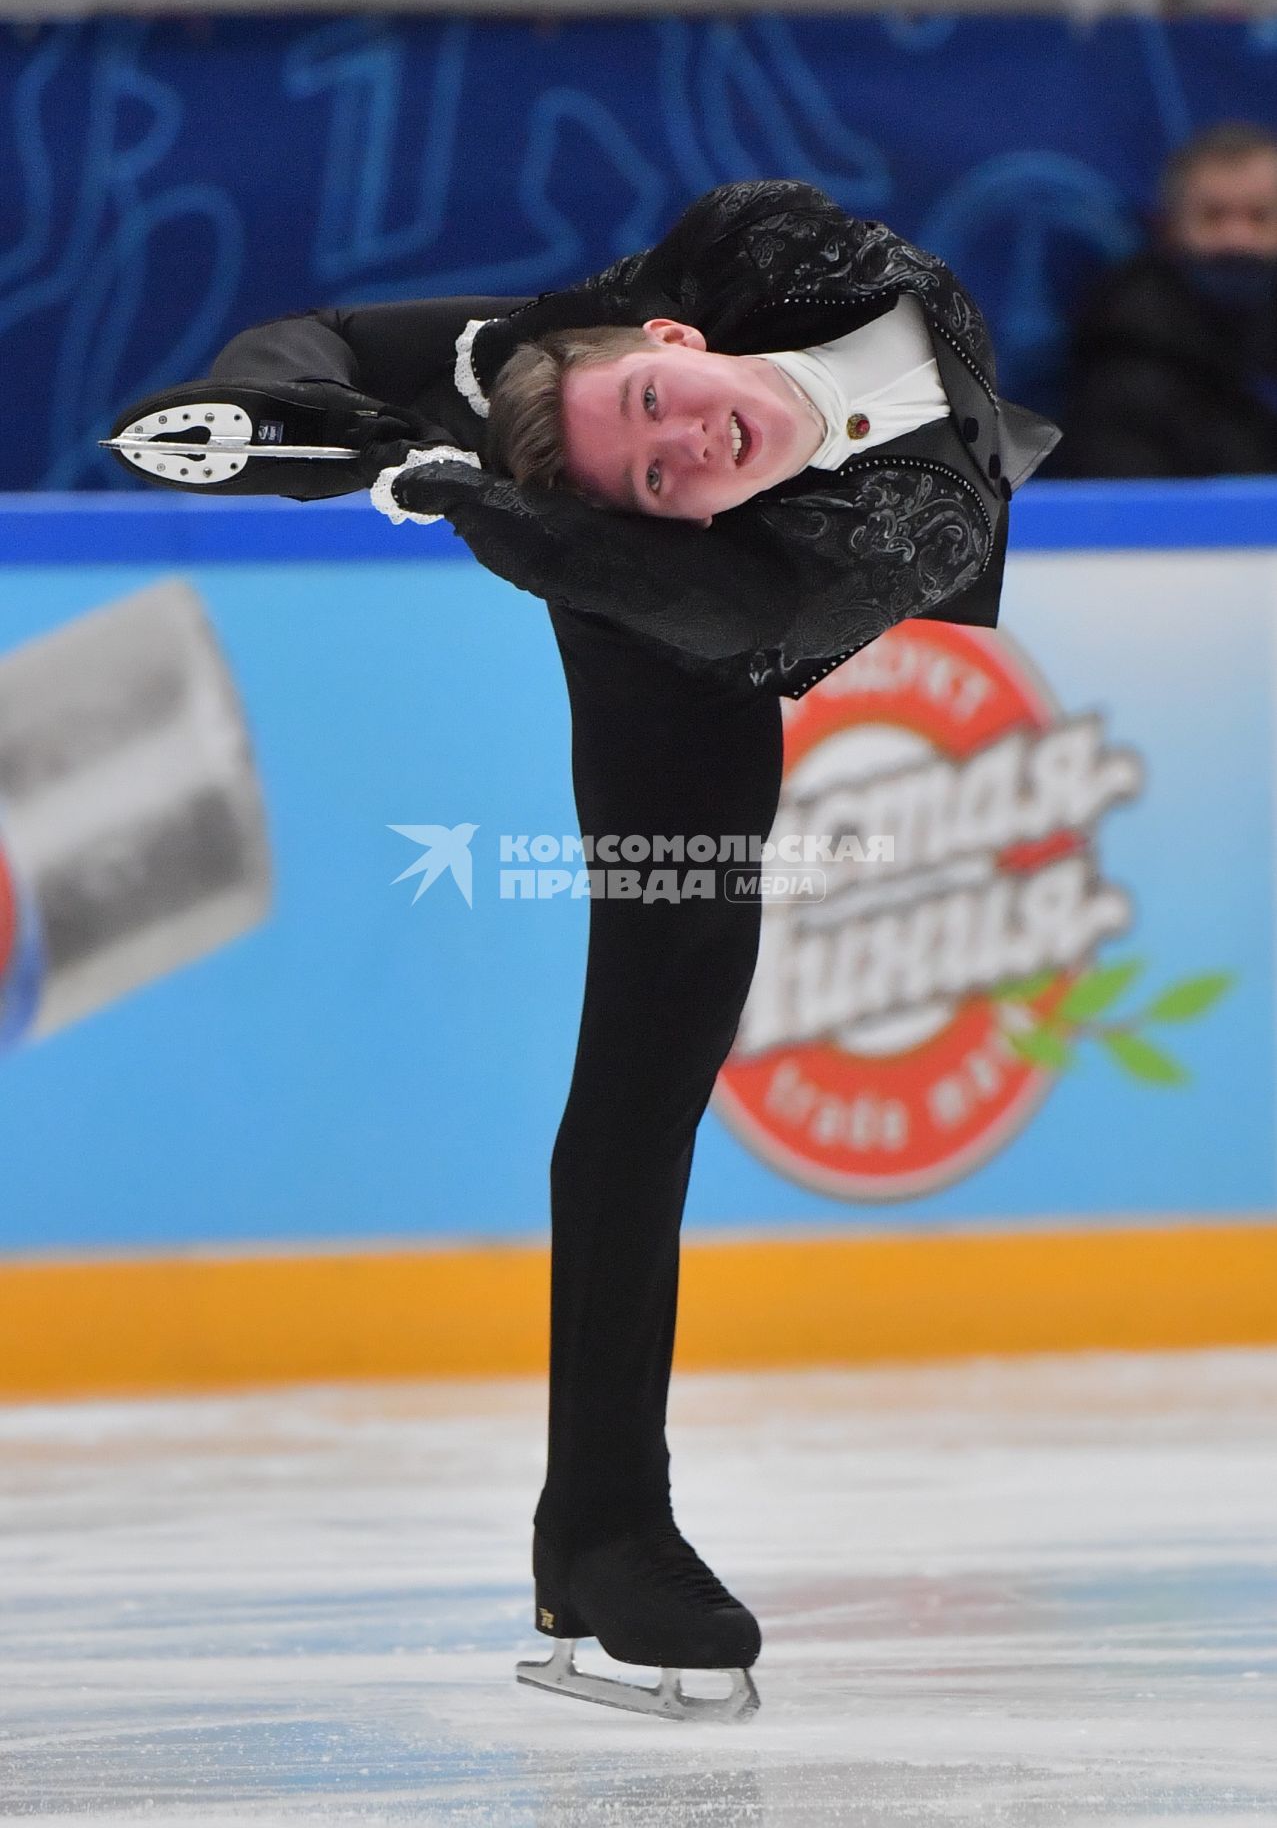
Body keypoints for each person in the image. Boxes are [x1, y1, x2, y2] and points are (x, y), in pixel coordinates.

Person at [108, 179, 1058, 1720]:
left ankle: (587, 1535)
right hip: (632, 612)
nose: (688, 443)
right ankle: (610, 1530)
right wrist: (283, 413)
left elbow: (683, 565)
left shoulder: (783, 290)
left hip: (708, 605)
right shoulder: (649, 472)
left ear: (674, 336)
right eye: (656, 462)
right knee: (637, 1090)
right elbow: (345, 348)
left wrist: (461, 485)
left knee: (651, 1080)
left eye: (660, 403)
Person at [1055, 122, 1277, 478]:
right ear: (1171, 227)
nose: (1237, 239)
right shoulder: (1123, 349)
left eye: (1259, 217)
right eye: (1213, 217)